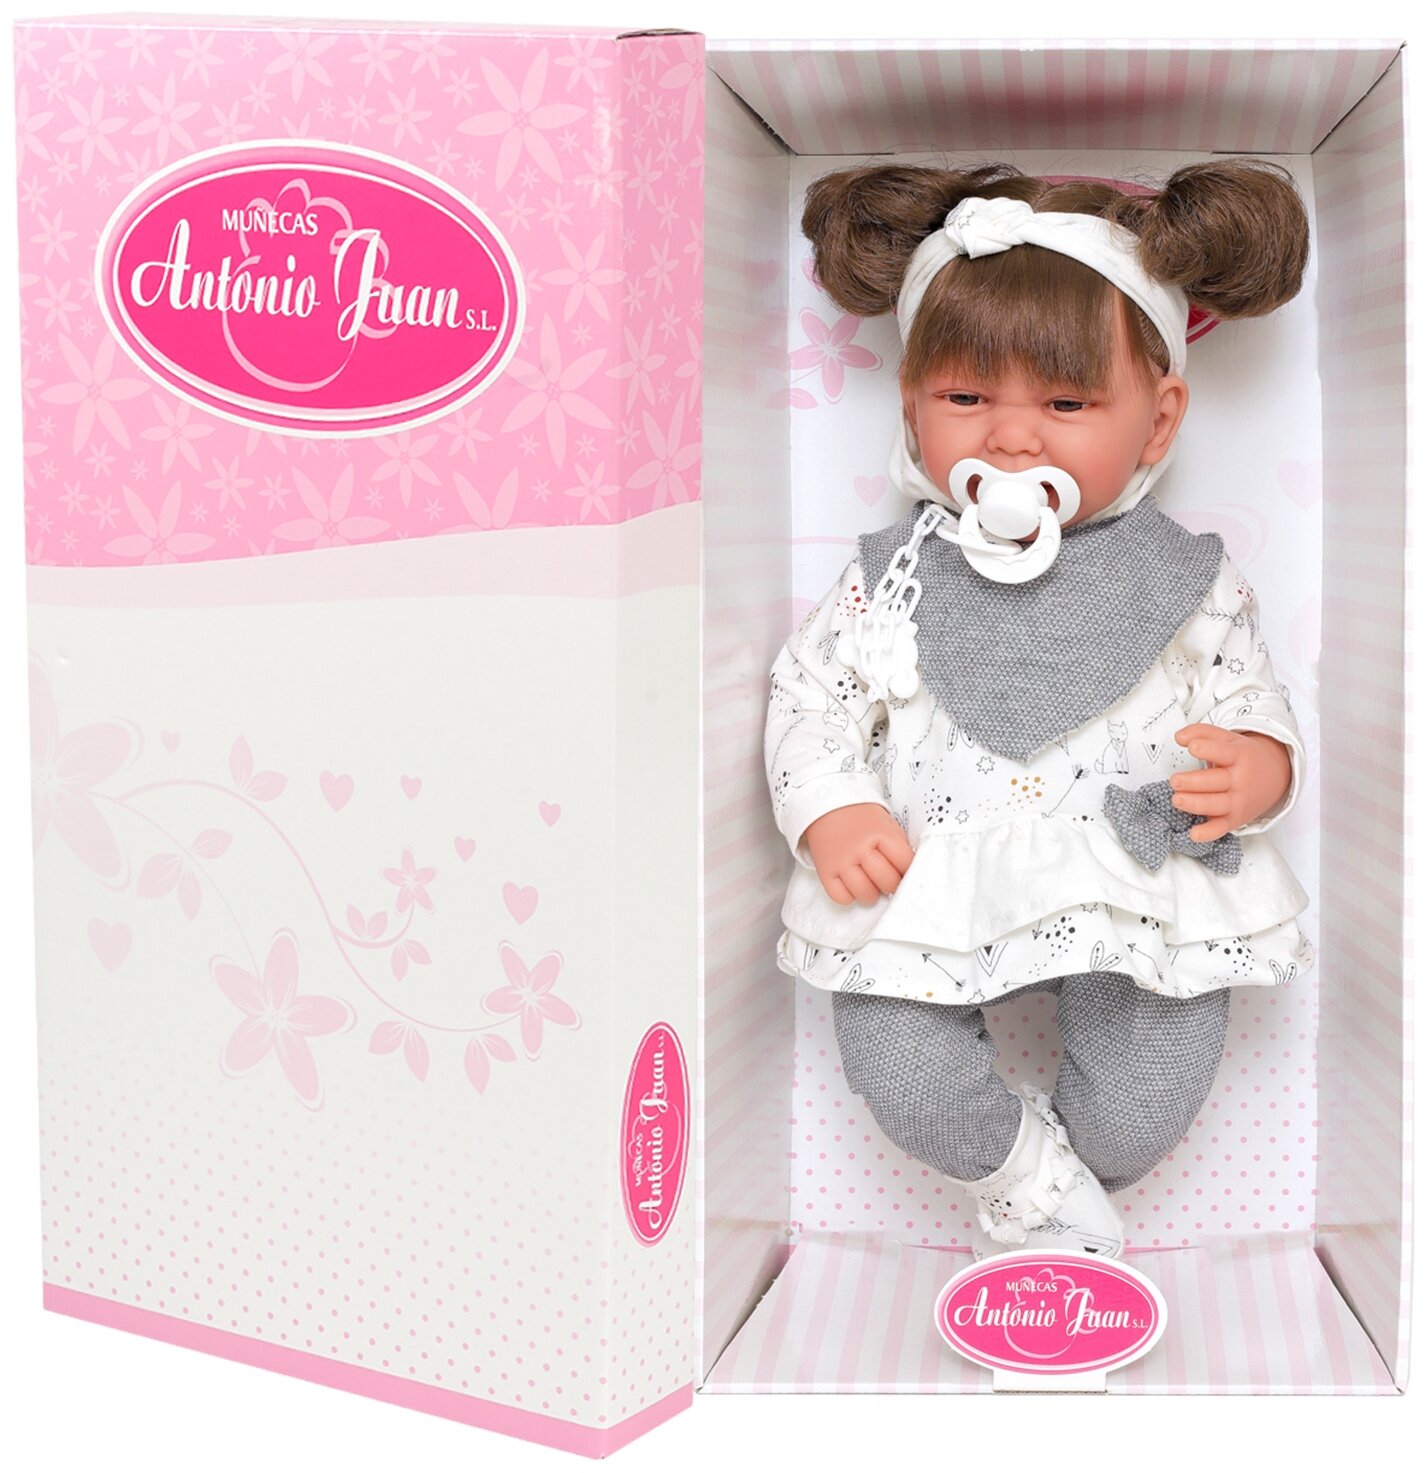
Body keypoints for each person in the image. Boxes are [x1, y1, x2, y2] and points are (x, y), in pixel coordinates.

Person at [764, 161, 1314, 1260]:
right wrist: (829, 805)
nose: (1012, 439)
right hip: (927, 874)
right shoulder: (889, 577)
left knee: (1147, 1097)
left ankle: (1071, 1198)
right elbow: (812, 694)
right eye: (966, 399)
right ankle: (1028, 1183)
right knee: (900, 1065)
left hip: (1136, 875)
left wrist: (1261, 764)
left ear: (1158, 421)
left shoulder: (1187, 580)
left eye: (1066, 404)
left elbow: (1248, 689)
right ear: (910, 402)